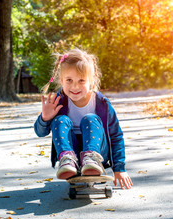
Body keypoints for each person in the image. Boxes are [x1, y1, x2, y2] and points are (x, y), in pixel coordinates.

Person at [34, 48, 132, 189]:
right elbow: (40, 132)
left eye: (81, 80)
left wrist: (120, 168)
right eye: (69, 80)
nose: (75, 86)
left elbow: (116, 136)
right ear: (61, 80)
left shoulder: (102, 104)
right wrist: (45, 118)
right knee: (59, 120)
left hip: (99, 153)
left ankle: (91, 159)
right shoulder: (58, 103)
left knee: (90, 119)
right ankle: (67, 160)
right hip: (72, 151)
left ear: (91, 81)